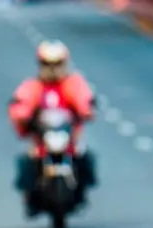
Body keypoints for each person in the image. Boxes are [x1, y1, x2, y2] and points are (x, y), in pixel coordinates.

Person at [8, 39, 98, 216]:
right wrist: (22, 116)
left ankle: (81, 191)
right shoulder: (33, 86)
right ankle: (30, 198)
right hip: (42, 139)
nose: (52, 69)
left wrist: (86, 110)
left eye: (57, 64)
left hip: (68, 138)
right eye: (48, 64)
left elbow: (84, 100)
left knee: (84, 156)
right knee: (27, 161)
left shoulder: (72, 83)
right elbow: (21, 104)